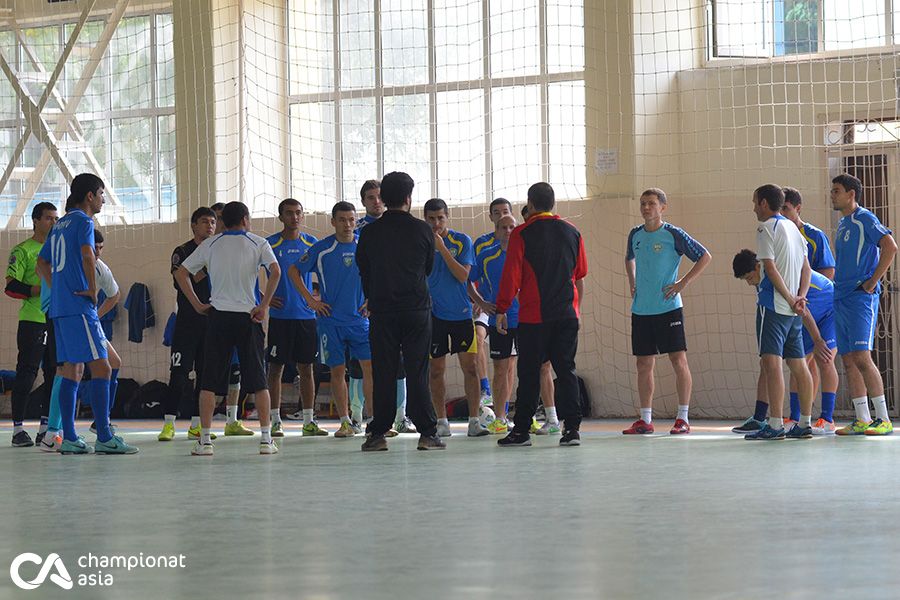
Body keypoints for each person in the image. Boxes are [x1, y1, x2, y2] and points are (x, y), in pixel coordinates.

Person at [35, 174, 137, 454]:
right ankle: (104, 436)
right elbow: (87, 255)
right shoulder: (83, 221)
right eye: (101, 194)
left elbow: (41, 262)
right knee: (103, 368)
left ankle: (68, 437)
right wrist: (92, 290)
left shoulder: (58, 226)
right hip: (79, 307)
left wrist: (56, 288)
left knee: (72, 369)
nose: (104, 199)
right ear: (90, 196)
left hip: (59, 309)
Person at [175, 201, 280, 456]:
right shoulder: (258, 242)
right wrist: (264, 305)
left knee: (209, 382)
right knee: (259, 380)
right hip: (248, 317)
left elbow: (181, 273)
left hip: (218, 318)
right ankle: (266, 440)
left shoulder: (210, 244)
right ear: (245, 219)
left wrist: (198, 304)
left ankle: (205, 442)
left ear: (223, 221)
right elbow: (276, 271)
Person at [356, 171, 443, 451]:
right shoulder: (423, 230)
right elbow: (428, 268)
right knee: (418, 370)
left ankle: (378, 433)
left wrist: (375, 294)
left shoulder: (369, 232)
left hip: (382, 310)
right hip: (416, 308)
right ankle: (428, 433)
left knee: (383, 371)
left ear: (383, 198)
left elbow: (364, 270)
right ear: (408, 197)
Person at [496, 182, 587, 447]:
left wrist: (502, 308)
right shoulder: (574, 232)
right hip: (567, 314)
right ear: (553, 203)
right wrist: (577, 310)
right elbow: (579, 274)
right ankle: (572, 430)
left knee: (529, 372)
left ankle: (521, 430)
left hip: (534, 317)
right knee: (566, 371)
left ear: (531, 204)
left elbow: (512, 276)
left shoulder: (522, 233)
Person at [623, 188, 711, 435]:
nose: (646, 208)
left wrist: (683, 283)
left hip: (668, 309)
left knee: (678, 360)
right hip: (642, 309)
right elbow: (628, 258)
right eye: (642, 204)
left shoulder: (673, 234)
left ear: (663, 207)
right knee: (643, 364)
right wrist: (632, 280)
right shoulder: (635, 235)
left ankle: (682, 417)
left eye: (651, 203)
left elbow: (704, 256)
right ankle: (645, 419)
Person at [290, 201, 373, 439]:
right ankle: (346, 422)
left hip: (360, 321)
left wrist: (372, 299)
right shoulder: (323, 248)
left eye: (351, 219)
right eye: (342, 220)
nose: (348, 224)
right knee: (338, 372)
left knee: (371, 370)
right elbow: (294, 271)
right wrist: (310, 300)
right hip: (330, 322)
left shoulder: (365, 245)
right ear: (333, 222)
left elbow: (377, 272)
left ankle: (374, 421)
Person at [733, 250, 838, 435]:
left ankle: (826, 419)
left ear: (758, 266)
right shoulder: (763, 279)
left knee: (824, 359)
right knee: (788, 362)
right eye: (745, 280)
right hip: (806, 309)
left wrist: (818, 339)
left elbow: (802, 308)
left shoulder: (780, 275)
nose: (750, 283)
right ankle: (788, 419)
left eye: (750, 277)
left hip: (829, 307)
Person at [742, 184, 815, 440]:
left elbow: (770, 270)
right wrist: (801, 298)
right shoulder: (794, 228)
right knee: (799, 366)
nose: (753, 208)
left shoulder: (766, 227)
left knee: (771, 365)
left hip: (773, 307)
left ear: (763, 203)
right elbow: (807, 268)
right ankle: (805, 422)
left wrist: (788, 297)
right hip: (794, 312)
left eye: (754, 202)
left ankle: (774, 425)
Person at [830, 173, 897, 436]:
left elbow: (890, 247)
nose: (832, 195)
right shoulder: (845, 223)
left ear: (851, 194)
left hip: (860, 298)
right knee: (847, 360)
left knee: (861, 357)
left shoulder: (865, 218)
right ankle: (862, 419)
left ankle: (883, 419)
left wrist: (872, 282)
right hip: (841, 297)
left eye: (836, 190)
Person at [423, 197, 489, 438]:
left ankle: (474, 421)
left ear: (447, 217)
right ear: (425, 219)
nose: (436, 223)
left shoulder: (461, 241)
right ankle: (441, 421)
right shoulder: (421, 241)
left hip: (461, 315)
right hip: (433, 317)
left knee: (471, 368)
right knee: (436, 371)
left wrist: (441, 248)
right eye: (431, 219)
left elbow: (463, 276)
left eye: (440, 218)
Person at [354, 179, 413, 434]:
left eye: (379, 196)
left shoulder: (403, 228)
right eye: (370, 197)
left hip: (397, 306)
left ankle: (401, 416)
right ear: (363, 201)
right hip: (363, 310)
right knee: (361, 365)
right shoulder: (355, 231)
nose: (376, 201)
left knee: (399, 364)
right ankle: (359, 416)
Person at [265, 199, 324, 437]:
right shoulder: (270, 244)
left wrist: (316, 297)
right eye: (289, 213)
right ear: (281, 217)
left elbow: (323, 273)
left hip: (306, 317)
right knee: (275, 369)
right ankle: (275, 421)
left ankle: (308, 420)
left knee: (307, 369)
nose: (294, 217)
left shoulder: (312, 243)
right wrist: (264, 298)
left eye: (298, 213)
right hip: (280, 317)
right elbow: (249, 273)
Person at [157, 207, 217, 441]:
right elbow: (185, 279)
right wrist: (197, 303)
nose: (210, 226)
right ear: (193, 225)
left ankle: (196, 425)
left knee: (205, 376)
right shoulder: (182, 251)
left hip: (211, 324)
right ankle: (169, 423)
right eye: (204, 222)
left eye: (213, 222)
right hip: (186, 322)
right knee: (179, 374)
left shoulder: (219, 252)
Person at [5, 202, 57, 447]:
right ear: (36, 220)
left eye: (56, 219)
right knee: (27, 374)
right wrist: (40, 289)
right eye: (48, 218)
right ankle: (17, 430)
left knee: (54, 373)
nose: (53, 223)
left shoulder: (59, 249)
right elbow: (11, 286)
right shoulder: (23, 250)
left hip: (55, 320)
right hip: (32, 321)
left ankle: (45, 429)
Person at [468, 215, 518, 433]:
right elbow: (468, 280)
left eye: (511, 227)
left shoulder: (525, 255)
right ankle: (499, 418)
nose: (507, 231)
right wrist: (481, 302)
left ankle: (525, 415)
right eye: (503, 227)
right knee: (500, 368)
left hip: (524, 319)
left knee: (524, 369)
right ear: (496, 230)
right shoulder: (487, 256)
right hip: (499, 319)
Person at [470, 198, 513, 408]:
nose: (500, 214)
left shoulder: (518, 243)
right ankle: (486, 388)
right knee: (477, 339)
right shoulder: (482, 244)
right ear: (491, 218)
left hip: (511, 309)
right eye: (496, 212)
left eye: (505, 211)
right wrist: (478, 299)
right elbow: (474, 275)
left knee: (510, 363)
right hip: (488, 304)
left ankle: (504, 407)